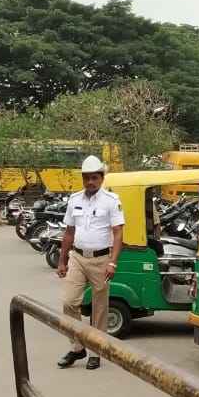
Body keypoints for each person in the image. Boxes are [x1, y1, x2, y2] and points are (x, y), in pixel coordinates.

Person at [56, 154, 125, 370]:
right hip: (77, 257)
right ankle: (78, 348)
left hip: (101, 259)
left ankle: (96, 351)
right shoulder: (74, 199)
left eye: (94, 178)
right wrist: (62, 260)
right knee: (69, 302)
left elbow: (118, 233)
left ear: (102, 178)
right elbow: (68, 232)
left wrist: (113, 262)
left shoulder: (112, 201)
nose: (90, 182)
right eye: (86, 178)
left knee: (99, 308)